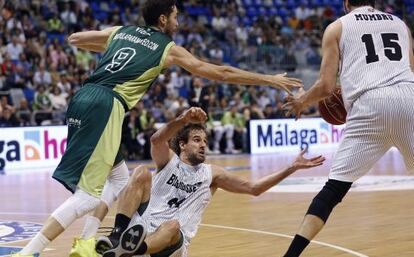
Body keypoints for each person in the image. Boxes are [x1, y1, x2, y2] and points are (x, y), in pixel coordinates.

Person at [13, 0, 303, 256]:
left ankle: (87, 242)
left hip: (83, 97)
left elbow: (75, 38)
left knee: (119, 178)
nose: (178, 22)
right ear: (163, 19)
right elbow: (220, 72)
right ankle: (30, 251)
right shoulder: (168, 48)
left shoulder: (122, 31)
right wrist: (268, 79)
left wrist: (117, 41)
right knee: (88, 195)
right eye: (175, 16)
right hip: (107, 104)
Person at [93, 107, 325, 257]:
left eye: (205, 140)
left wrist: (290, 168)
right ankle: (118, 234)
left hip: (171, 242)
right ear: (182, 145)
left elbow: (254, 189)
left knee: (173, 225)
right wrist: (183, 119)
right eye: (196, 140)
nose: (203, 144)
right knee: (141, 171)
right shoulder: (168, 161)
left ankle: (130, 252)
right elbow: (156, 139)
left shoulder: (211, 174)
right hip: (141, 228)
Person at [282, 1, 414, 256]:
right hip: (409, 98)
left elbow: (326, 86)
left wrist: (301, 101)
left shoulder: (337, 27)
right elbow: (410, 70)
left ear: (345, 3)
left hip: (369, 105)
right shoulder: (401, 25)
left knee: (334, 189)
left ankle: (291, 255)